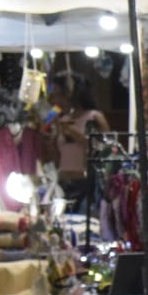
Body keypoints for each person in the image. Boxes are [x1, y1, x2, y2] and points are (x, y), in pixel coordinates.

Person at [48, 77, 108, 213]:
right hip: (62, 182)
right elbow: (58, 155)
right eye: (55, 95)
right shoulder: (63, 119)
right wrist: (51, 140)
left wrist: (71, 131)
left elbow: (103, 148)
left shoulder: (94, 117)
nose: (57, 100)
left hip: (85, 183)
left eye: (60, 94)